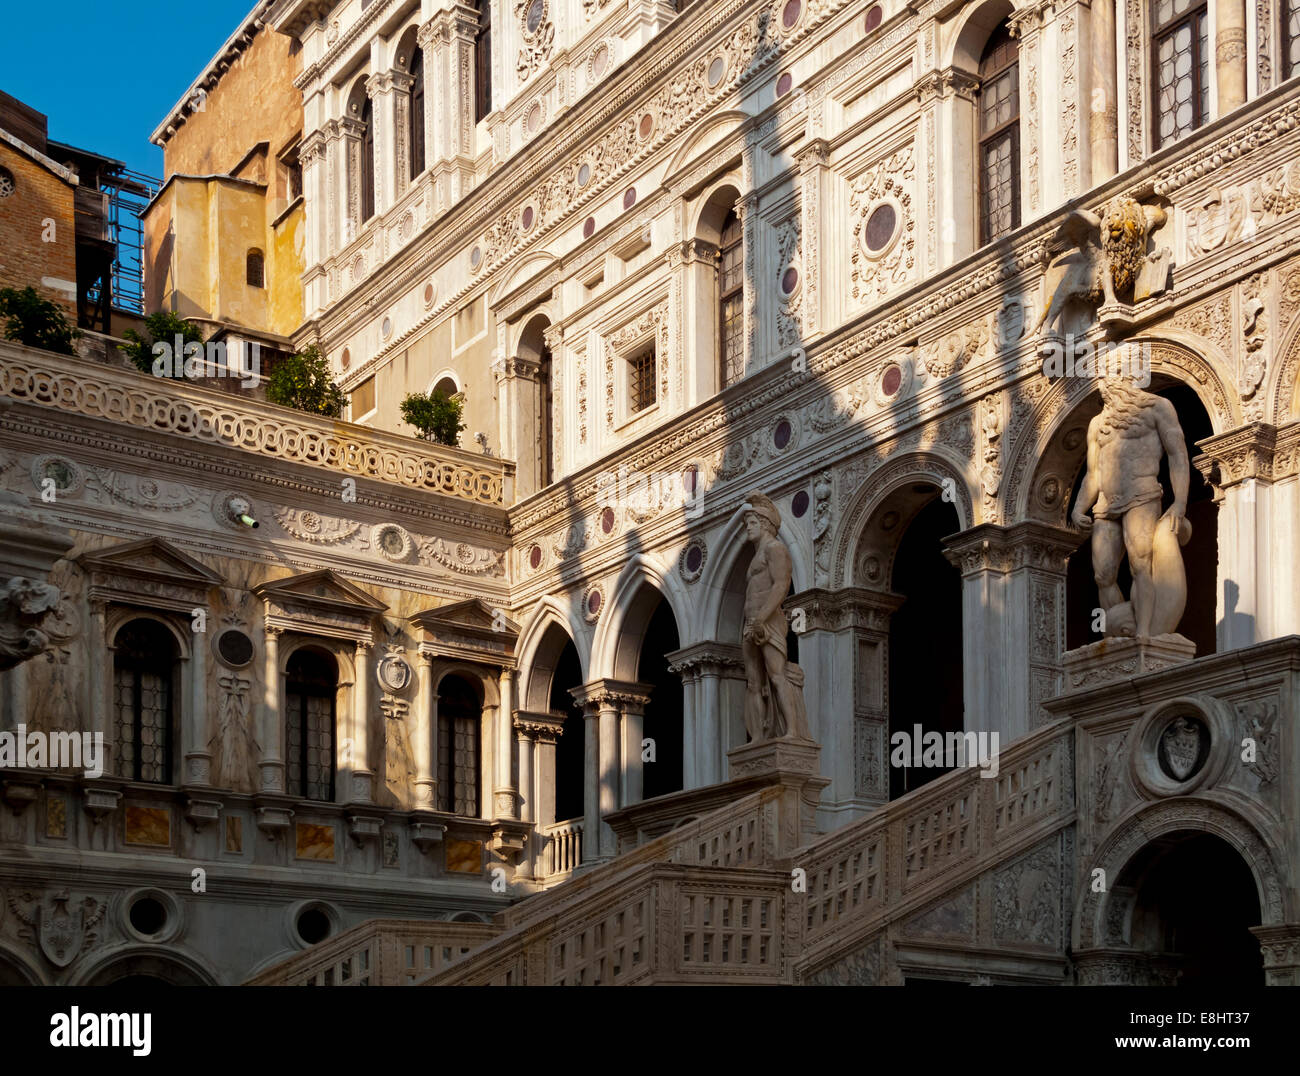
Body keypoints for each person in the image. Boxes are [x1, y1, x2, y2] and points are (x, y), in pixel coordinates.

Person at [1071, 371, 1190, 639]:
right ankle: (1116, 635)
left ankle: (1145, 634)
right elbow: (1094, 473)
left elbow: (1178, 454)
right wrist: (1079, 508)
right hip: (1105, 505)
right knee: (1103, 574)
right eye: (1101, 379)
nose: (1103, 385)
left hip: (1142, 495)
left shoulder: (1157, 407)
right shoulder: (1097, 423)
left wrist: (1180, 502)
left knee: (1140, 564)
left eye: (1109, 376)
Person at [741, 493, 811, 740]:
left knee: (776, 675)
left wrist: (762, 617)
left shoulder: (775, 548)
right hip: (751, 623)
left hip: (768, 621)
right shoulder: (755, 556)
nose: (747, 528)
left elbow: (781, 585)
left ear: (766, 524)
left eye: (752, 523)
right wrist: (752, 620)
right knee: (752, 683)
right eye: (747, 524)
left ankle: (792, 731)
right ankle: (759, 738)